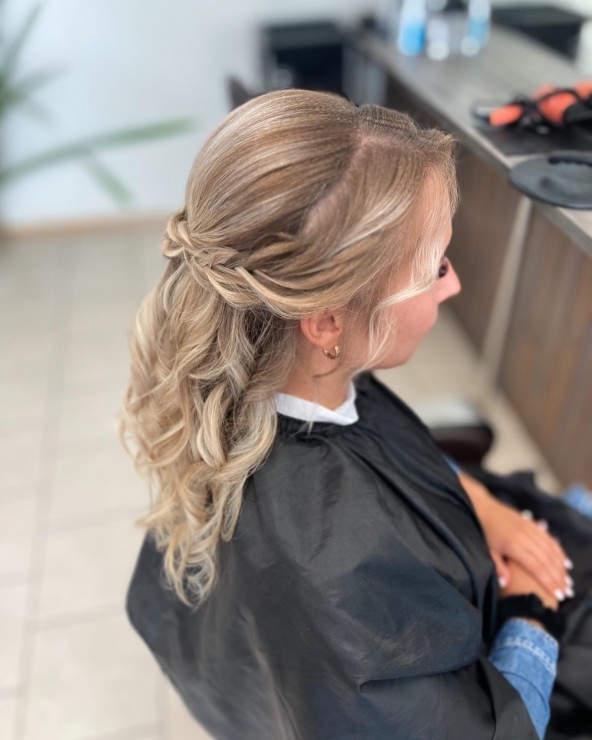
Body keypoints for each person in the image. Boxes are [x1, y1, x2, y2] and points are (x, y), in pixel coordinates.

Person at [120, 89, 592, 739]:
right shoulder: (334, 573)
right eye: (434, 269)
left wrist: (481, 503)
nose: (454, 285)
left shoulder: (270, 378)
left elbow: (385, 468)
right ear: (328, 322)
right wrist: (533, 612)